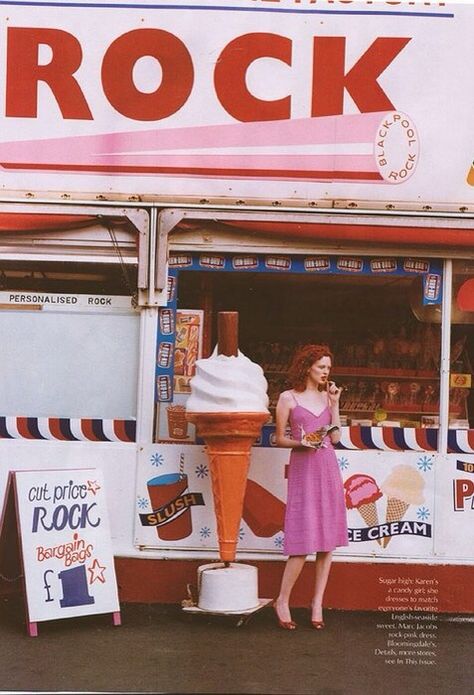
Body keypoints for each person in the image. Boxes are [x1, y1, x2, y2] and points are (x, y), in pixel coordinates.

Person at [273, 344, 348, 630]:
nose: (326, 372)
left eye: (328, 368)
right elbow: (279, 438)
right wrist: (301, 442)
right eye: (321, 367)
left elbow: (337, 437)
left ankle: (317, 603)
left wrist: (336, 404)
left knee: (327, 542)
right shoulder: (287, 398)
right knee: (302, 542)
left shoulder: (328, 398)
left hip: (327, 466)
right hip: (304, 468)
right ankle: (282, 600)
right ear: (307, 367)